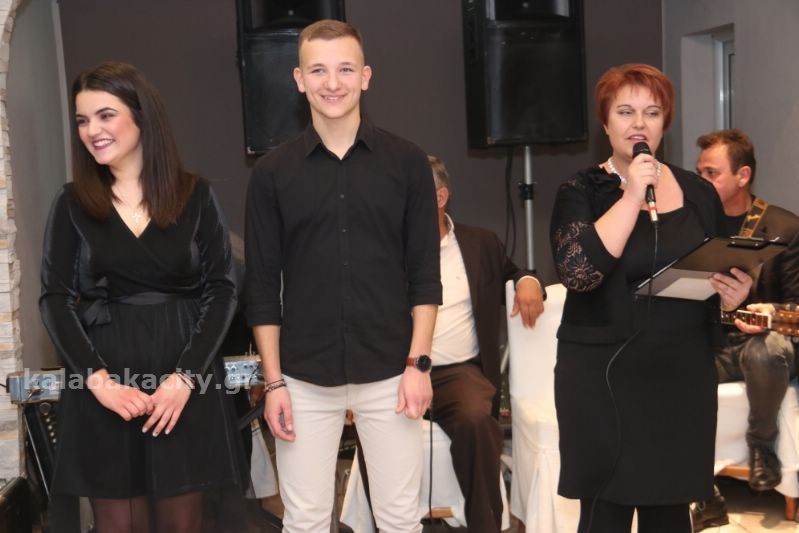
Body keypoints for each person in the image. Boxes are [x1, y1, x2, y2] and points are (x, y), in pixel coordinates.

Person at [244, 20, 441, 533]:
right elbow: (261, 289)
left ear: (366, 76)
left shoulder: (407, 163)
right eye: (318, 71)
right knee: (306, 520)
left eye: (345, 69)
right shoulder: (271, 174)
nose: (332, 83)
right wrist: (273, 383)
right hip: (303, 378)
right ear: (299, 79)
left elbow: (425, 274)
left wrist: (418, 364)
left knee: (400, 519)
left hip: (392, 372)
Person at [39, 62, 248, 532]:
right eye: (82, 120)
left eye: (105, 115)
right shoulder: (71, 203)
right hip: (105, 385)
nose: (92, 130)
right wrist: (100, 383)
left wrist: (185, 378)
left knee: (182, 525)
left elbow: (222, 290)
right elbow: (54, 299)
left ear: (141, 116)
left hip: (184, 385)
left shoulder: (195, 195)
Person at [549, 63, 752, 533]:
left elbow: (716, 269)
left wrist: (731, 298)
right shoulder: (580, 191)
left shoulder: (699, 192)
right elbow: (579, 273)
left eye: (652, 112)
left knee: (670, 513)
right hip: (603, 377)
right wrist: (632, 194)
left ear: (665, 124)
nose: (639, 123)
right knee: (605, 514)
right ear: (606, 124)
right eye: (625, 112)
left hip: (681, 375)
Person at [426, 155, 544, 531]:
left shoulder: (480, 243)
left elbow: (515, 273)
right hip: (398, 372)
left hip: (459, 373)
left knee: (477, 422)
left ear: (440, 197)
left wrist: (527, 281)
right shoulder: (386, 248)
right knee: (372, 421)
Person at [690, 129, 799, 531]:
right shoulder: (693, 226)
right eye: (699, 172)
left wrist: (768, 311)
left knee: (764, 350)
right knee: (670, 366)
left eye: (712, 173)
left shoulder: (785, 227)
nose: (702, 181)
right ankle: (701, 489)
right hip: (715, 343)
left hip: (770, 343)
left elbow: (797, 303)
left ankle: (762, 447)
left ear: (743, 175)